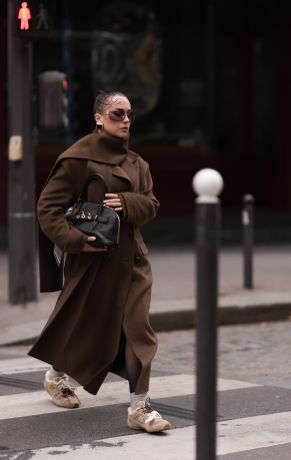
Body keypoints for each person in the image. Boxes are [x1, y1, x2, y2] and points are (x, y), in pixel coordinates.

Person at [28, 91, 171, 433]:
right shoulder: (77, 159)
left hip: (133, 261)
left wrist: (127, 201)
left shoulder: (138, 163)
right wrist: (77, 241)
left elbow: (151, 205)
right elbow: (47, 210)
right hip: (92, 263)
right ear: (98, 117)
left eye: (129, 115)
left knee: (138, 331)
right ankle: (55, 375)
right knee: (83, 327)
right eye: (117, 114)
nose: (125, 121)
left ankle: (140, 408)